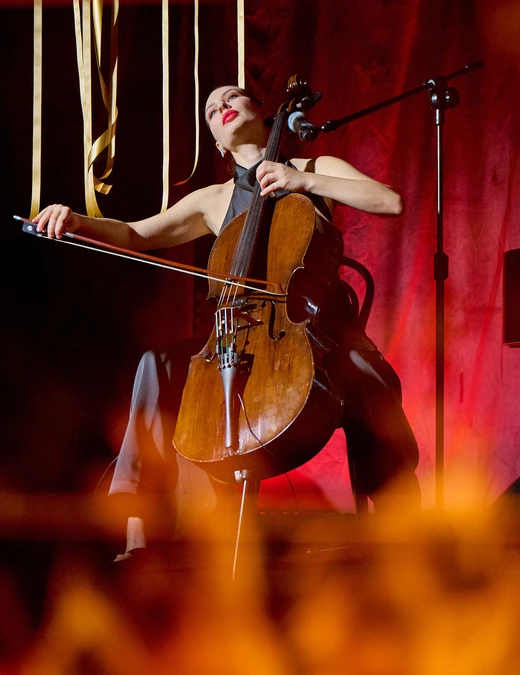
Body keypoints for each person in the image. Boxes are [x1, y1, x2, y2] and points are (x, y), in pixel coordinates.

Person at [34, 85, 420, 555]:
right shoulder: (213, 200)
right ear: (217, 143)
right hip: (237, 340)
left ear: (261, 112)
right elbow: (135, 234)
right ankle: (135, 526)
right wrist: (77, 220)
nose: (221, 107)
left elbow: (389, 201)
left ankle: (404, 533)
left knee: (369, 378)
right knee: (156, 364)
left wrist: (303, 182)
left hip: (323, 336)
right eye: (211, 109)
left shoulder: (315, 168)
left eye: (232, 98)